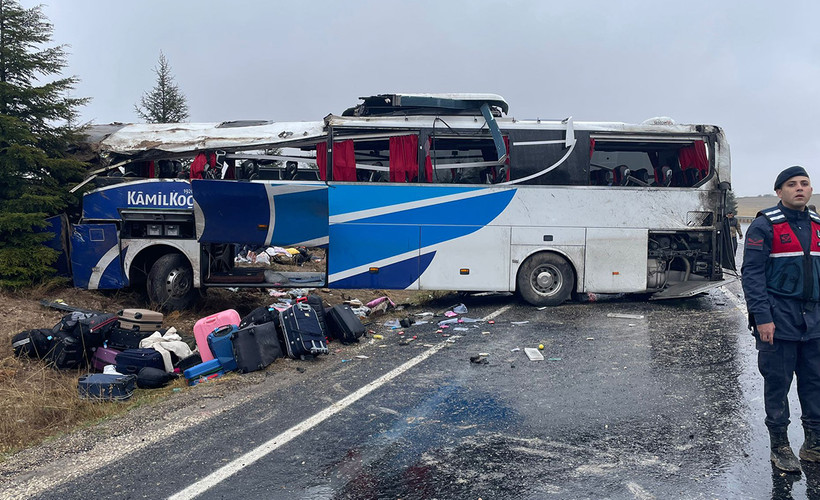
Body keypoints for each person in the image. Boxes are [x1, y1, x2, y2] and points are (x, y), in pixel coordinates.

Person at [742, 165, 820, 473]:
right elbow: (752, 275)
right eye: (791, 184)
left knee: (814, 384)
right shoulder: (764, 226)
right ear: (779, 192)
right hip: (778, 321)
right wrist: (763, 318)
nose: (799, 188)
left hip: (813, 323)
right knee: (778, 385)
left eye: (804, 183)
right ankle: (780, 447)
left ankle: (813, 444)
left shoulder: (817, 225)